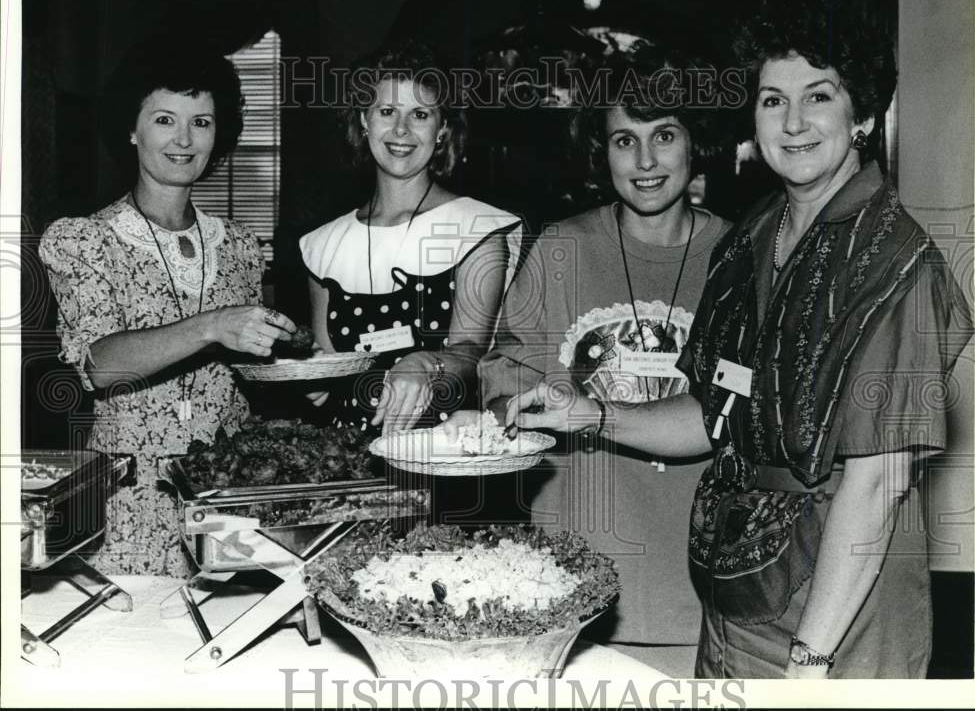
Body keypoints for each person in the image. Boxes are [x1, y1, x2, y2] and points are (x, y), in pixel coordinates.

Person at [492, 0, 972, 678]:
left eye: (819, 96)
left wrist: (810, 660)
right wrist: (591, 412)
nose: (794, 121)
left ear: (863, 113)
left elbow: (877, 487)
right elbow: (716, 414)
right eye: (773, 99)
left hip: (841, 611)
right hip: (741, 592)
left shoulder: (897, 264)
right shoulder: (752, 240)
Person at [446, 45, 731, 654]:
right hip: (575, 582)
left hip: (706, 593)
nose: (646, 160)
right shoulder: (561, 250)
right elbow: (504, 383)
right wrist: (508, 408)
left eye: (665, 134)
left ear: (695, 143)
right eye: (624, 140)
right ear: (601, 153)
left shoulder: (741, 258)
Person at [39, 40, 297, 577]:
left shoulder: (240, 247)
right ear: (131, 130)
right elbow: (100, 366)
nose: (183, 139)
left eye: (201, 121)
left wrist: (298, 363)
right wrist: (213, 325)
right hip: (127, 509)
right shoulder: (86, 241)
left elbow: (245, 376)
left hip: (229, 505)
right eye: (164, 119)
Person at [300, 40, 521, 436]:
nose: (401, 130)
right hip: (345, 459)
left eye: (420, 114)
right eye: (387, 111)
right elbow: (326, 366)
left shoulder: (474, 229)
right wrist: (312, 378)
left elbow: (471, 356)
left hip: (439, 454)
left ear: (443, 130)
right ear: (364, 121)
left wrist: (425, 363)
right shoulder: (323, 245)